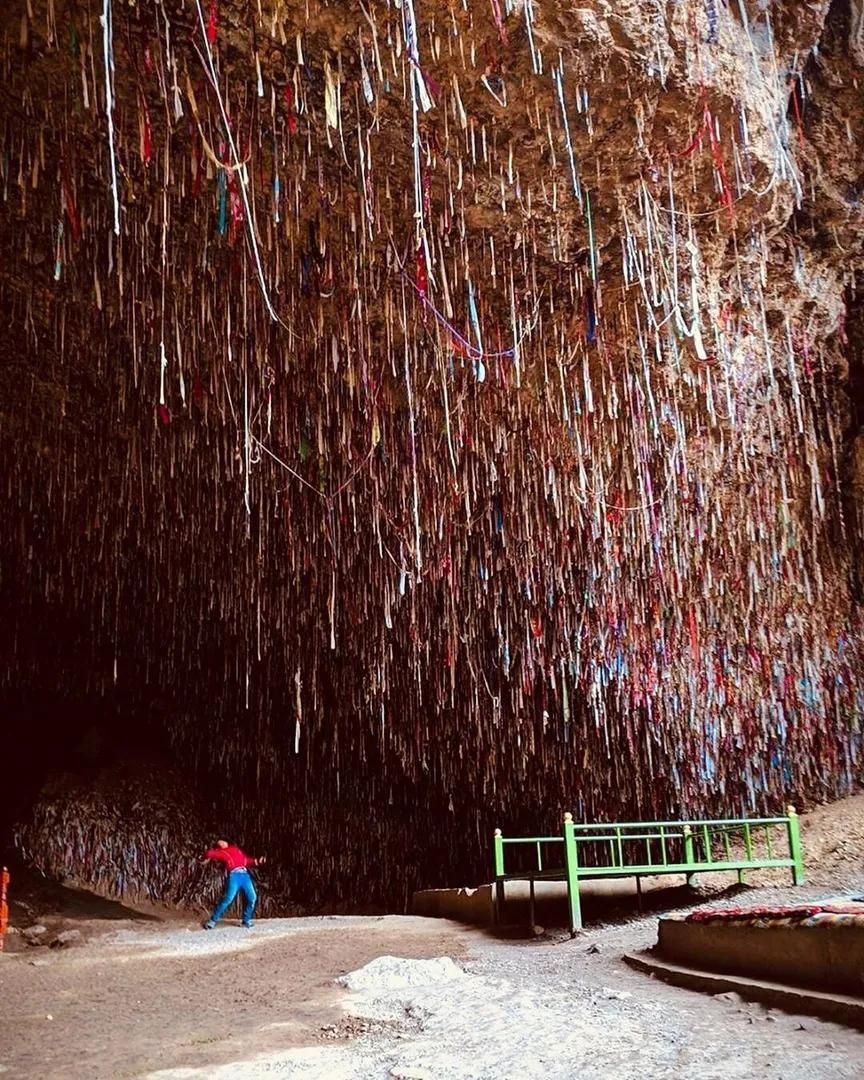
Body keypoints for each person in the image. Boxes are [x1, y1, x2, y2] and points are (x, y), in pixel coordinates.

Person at [202, 840, 266, 929]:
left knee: (252, 897)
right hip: (234, 876)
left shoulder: (235, 849)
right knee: (228, 898)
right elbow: (210, 853)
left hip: (245, 875)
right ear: (218, 846)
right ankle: (212, 921)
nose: (222, 842)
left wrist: (257, 861)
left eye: (222, 841)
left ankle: (246, 920)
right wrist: (205, 856)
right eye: (219, 842)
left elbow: (245, 860)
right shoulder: (221, 852)